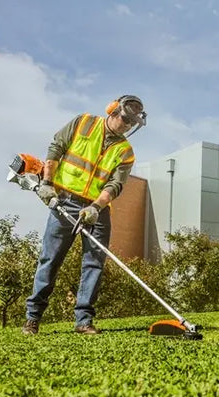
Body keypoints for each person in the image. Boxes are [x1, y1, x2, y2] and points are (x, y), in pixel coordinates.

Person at [22, 95, 147, 335]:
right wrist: (47, 183)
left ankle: (83, 321)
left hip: (96, 211)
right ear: (112, 110)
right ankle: (33, 318)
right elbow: (56, 147)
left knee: (94, 264)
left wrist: (96, 208)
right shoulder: (83, 123)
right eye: (124, 119)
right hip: (65, 202)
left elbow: (115, 185)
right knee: (50, 260)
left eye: (131, 123)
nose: (126, 125)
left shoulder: (126, 152)